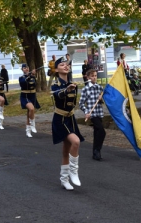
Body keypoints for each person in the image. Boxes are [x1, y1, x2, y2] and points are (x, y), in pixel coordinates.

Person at [51, 57, 84, 191]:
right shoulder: (55, 84)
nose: (66, 66)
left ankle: (64, 179)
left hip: (71, 119)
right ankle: (73, 171)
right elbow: (58, 95)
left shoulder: (72, 83)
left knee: (66, 150)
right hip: (60, 119)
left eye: (67, 64)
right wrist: (67, 90)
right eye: (62, 65)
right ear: (57, 69)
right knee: (75, 141)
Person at [79, 69, 105, 161]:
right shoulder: (85, 89)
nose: (95, 77)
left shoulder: (99, 88)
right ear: (88, 78)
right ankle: (97, 150)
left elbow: (103, 101)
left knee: (97, 132)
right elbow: (81, 104)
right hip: (92, 114)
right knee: (102, 131)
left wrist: (101, 99)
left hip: (99, 113)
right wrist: (86, 112)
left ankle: (95, 153)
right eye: (93, 76)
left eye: (96, 75)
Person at [19, 64, 40, 137]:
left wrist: (33, 76)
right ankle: (33, 125)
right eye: (24, 68)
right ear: (22, 69)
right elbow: (24, 83)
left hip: (32, 96)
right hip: (25, 96)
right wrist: (30, 75)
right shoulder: (21, 78)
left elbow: (35, 85)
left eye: (27, 67)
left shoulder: (33, 77)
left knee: (29, 113)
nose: (26, 69)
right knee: (31, 109)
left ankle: (28, 131)